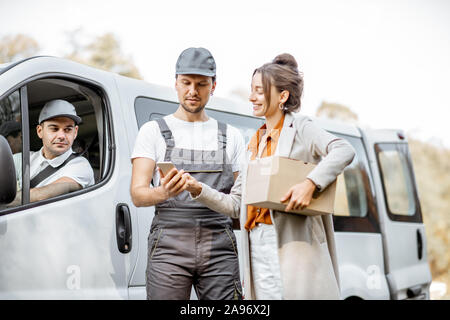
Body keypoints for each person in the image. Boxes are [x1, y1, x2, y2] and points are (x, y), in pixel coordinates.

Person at [184, 53, 356, 300]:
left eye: (258, 91)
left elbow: (343, 150)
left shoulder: (301, 128)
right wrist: (197, 189)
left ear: (282, 96)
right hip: (257, 248)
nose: (251, 97)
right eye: (251, 90)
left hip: (294, 249)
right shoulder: (254, 144)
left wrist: (310, 184)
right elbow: (236, 205)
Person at [130, 47, 245, 300]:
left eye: (202, 84)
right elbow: (137, 195)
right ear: (176, 83)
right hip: (169, 243)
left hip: (220, 245)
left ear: (213, 86)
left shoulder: (232, 136)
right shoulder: (153, 131)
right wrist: (163, 192)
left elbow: (240, 202)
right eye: (186, 83)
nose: (193, 91)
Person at [9, 99, 94, 206]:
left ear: (75, 132)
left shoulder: (81, 166)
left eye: (68, 130)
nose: (61, 136)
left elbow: (43, 195)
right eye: (54, 129)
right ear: (40, 131)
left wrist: (6, 202)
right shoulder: (21, 160)